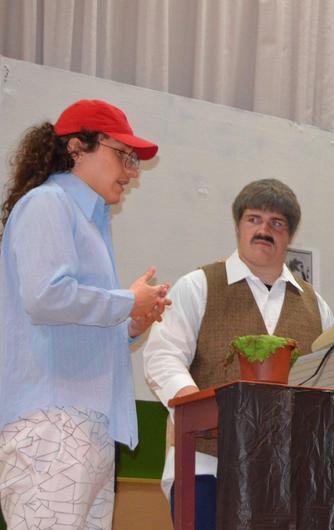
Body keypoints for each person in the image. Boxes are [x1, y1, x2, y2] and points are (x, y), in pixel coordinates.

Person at [0, 99, 171, 529]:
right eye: (123, 155)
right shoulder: (48, 203)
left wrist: (130, 324)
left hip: (83, 427)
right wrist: (125, 302)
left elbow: (69, 319)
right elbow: (45, 298)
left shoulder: (88, 220)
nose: (132, 171)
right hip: (52, 426)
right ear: (77, 147)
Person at [143, 178, 334, 529]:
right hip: (204, 467)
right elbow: (162, 355)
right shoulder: (198, 285)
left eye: (277, 223)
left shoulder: (317, 307)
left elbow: (331, 378)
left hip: (288, 477)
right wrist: (190, 401)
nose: (265, 229)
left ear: (289, 235)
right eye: (254, 219)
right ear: (238, 226)